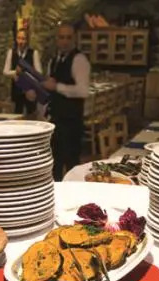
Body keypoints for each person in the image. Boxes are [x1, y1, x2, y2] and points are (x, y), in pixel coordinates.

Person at [40, 23, 90, 181]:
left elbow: (83, 91)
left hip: (71, 121)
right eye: (62, 37)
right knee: (54, 163)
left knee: (71, 165)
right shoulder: (53, 61)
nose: (65, 41)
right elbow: (50, 89)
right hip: (55, 120)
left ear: (74, 39)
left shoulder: (79, 59)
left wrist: (57, 87)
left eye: (68, 37)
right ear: (57, 39)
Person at [3, 29, 41, 115]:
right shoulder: (11, 52)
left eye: (23, 39)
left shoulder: (33, 53)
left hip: (30, 90)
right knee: (16, 115)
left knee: (31, 115)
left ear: (27, 40)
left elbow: (39, 73)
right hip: (16, 90)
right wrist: (15, 73)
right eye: (19, 38)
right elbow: (5, 71)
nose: (20, 41)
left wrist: (26, 72)